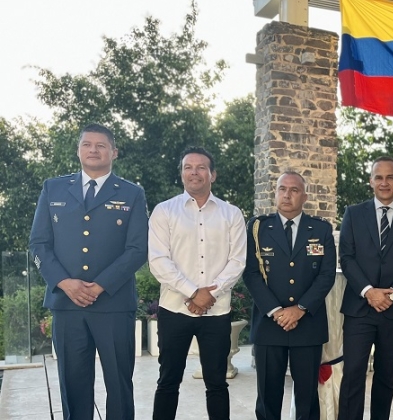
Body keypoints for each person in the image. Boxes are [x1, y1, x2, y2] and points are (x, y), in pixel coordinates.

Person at [29, 123, 148, 420]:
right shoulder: (53, 188)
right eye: (87, 144)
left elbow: (138, 249)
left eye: (101, 145)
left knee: (119, 385)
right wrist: (64, 282)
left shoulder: (132, 193)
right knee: (73, 384)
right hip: (67, 304)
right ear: (78, 150)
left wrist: (99, 286)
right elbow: (39, 244)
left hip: (113, 305)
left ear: (114, 152)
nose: (93, 150)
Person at [148, 146, 246, 420]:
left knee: (216, 383)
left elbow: (237, 261)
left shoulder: (231, 214)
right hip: (174, 310)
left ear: (212, 175)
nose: (194, 172)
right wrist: (193, 292)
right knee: (168, 381)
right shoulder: (164, 211)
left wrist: (208, 295)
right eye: (188, 167)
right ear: (181, 174)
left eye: (201, 167)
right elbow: (158, 261)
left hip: (216, 313)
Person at [337, 156, 393, 420]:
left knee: (386, 376)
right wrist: (369, 291)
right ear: (371, 181)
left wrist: (392, 293)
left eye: (390, 177)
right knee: (353, 373)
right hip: (359, 308)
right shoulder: (353, 213)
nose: (384, 182)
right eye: (379, 177)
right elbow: (347, 257)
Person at [243, 171, 337, 420]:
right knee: (267, 398)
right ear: (275, 193)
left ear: (304, 196)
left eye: (294, 190)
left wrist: (300, 309)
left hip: (307, 325)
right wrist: (276, 311)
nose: (287, 194)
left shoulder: (321, 229)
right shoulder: (258, 228)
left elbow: (326, 275)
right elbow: (251, 274)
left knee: (306, 399)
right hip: (269, 324)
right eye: (282, 189)